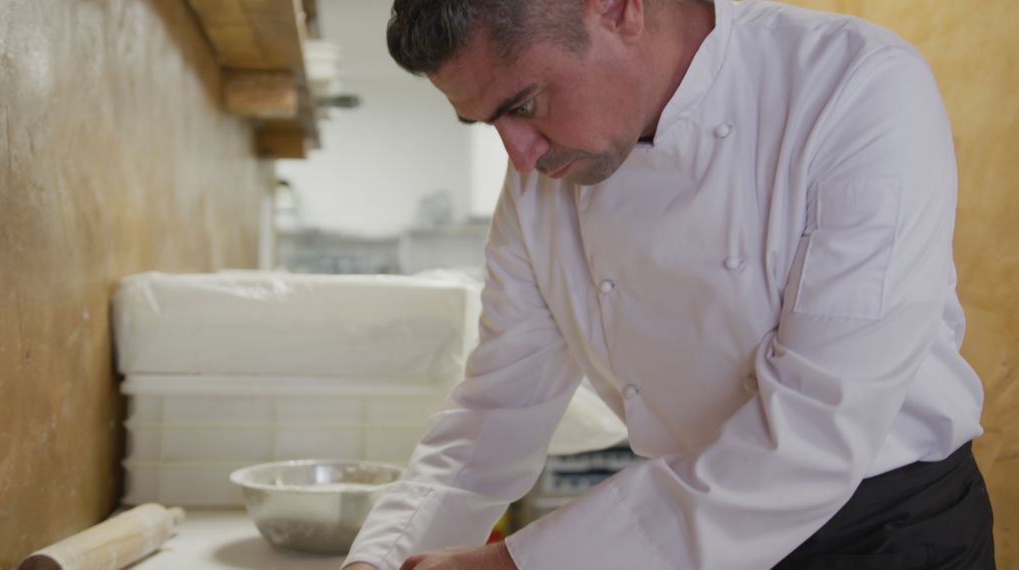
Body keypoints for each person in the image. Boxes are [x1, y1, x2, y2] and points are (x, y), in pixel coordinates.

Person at [344, 0, 995, 568]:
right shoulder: (540, 182)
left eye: (524, 104)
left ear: (618, 9)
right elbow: (495, 412)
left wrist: (517, 564)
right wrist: (383, 556)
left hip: (886, 535)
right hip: (680, 534)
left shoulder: (853, 87)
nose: (518, 156)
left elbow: (821, 426)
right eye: (489, 122)